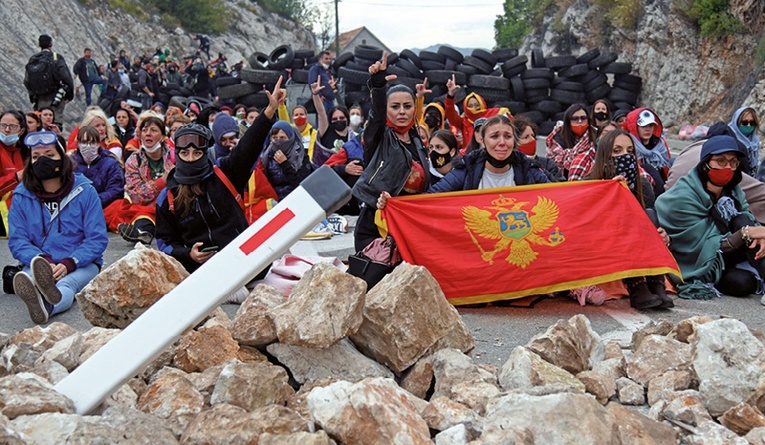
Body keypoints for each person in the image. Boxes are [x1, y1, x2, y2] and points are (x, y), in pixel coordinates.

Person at [155, 78, 285, 303]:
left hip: (244, 264)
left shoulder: (225, 174)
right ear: (178, 155)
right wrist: (189, 254)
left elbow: (249, 145)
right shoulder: (167, 197)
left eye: (197, 154)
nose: (191, 158)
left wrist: (270, 110)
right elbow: (165, 243)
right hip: (202, 271)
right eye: (185, 154)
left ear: (206, 153)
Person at [9, 131, 108, 324]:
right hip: (40, 263)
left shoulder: (85, 190)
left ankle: (48, 307)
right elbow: (18, 240)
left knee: (67, 284)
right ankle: (38, 290)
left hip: (81, 263)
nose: (42, 161)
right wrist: (42, 260)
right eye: (36, 157)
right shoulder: (21, 195)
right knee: (31, 277)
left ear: (62, 157)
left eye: (49, 154)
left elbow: (96, 239)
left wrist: (70, 262)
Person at [657, 135, 765, 300]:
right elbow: (700, 247)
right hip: (694, 262)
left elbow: (747, 221)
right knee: (743, 283)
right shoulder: (683, 197)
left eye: (733, 162)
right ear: (705, 163)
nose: (728, 167)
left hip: (724, 250)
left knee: (742, 219)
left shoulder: (733, 190)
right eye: (721, 161)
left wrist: (755, 233)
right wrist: (747, 233)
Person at [352, 52, 432, 252]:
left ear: (415, 109)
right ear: (387, 110)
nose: (402, 111)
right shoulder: (378, 136)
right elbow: (376, 115)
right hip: (376, 225)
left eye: (407, 106)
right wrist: (378, 84)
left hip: (410, 224)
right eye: (395, 107)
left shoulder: (418, 142)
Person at [589, 129, 673, 309]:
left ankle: (655, 282)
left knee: (650, 216)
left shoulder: (642, 184)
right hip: (602, 244)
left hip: (634, 244)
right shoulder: (590, 183)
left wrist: (661, 236)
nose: (625, 156)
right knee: (623, 224)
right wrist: (612, 192)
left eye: (629, 151)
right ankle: (636, 287)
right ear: (605, 155)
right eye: (617, 151)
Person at [424, 115, 549, 194]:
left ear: (514, 141)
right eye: (494, 136)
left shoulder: (529, 169)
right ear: (482, 141)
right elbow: (429, 198)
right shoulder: (466, 169)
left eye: (508, 136)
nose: (502, 142)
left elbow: (557, 194)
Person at [118, 115, 175, 243]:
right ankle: (142, 235)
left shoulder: (174, 156)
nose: (148, 134)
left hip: (172, 205)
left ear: (162, 137)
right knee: (142, 217)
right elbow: (137, 195)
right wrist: (162, 182)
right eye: (145, 130)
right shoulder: (133, 160)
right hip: (148, 208)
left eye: (153, 130)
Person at [444, 75, 511, 150]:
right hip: (469, 156)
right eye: (470, 105)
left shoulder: (494, 115)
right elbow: (450, 114)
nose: (474, 108)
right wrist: (450, 95)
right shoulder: (463, 122)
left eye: (477, 105)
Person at [71, 126, 124, 209]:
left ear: (99, 144)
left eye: (92, 142)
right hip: (75, 207)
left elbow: (115, 190)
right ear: (78, 144)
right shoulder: (70, 164)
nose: (88, 146)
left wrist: (94, 200)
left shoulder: (111, 164)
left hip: (103, 207)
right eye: (84, 142)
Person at [260, 120, 315, 201]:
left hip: (297, 199)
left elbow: (301, 184)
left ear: (290, 138)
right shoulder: (267, 156)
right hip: (274, 201)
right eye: (275, 138)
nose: (278, 141)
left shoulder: (301, 156)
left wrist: (284, 164)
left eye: (282, 138)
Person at [24, 35, 74, 117]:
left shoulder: (33, 59)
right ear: (51, 44)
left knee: (41, 120)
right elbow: (66, 76)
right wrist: (69, 94)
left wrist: (32, 95)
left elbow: (27, 80)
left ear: (39, 44)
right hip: (56, 96)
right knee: (54, 122)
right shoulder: (56, 57)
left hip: (39, 98)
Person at [546, 104, 597, 181]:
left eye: (583, 118)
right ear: (568, 121)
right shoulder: (557, 139)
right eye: (575, 118)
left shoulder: (596, 135)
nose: (579, 121)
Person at [311, 80, 354, 166]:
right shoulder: (326, 130)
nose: (338, 120)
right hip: (324, 172)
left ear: (347, 119)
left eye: (341, 118)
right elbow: (321, 112)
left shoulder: (353, 137)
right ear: (330, 121)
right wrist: (315, 94)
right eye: (335, 119)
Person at [0, 111, 29, 236]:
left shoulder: (21, 151)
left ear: (21, 131)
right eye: (3, 125)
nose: (7, 130)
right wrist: (16, 177)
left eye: (12, 127)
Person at [623, 108, 672, 180]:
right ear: (635, 127)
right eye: (643, 126)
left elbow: (667, 168)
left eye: (651, 125)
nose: (647, 129)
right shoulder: (628, 144)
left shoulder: (661, 144)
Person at [514, 116, 564, 182]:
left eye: (533, 136)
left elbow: (561, 188)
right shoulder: (509, 168)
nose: (532, 140)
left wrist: (539, 168)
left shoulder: (547, 163)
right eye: (526, 137)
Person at [728, 107, 760, 178]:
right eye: (745, 122)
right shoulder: (729, 139)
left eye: (752, 123)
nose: (749, 125)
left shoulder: (755, 141)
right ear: (737, 122)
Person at [308, 51, 336, 115]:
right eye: (326, 59)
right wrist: (319, 96)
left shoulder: (328, 70)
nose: (328, 60)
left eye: (329, 59)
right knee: (322, 121)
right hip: (322, 101)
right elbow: (312, 83)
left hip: (330, 100)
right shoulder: (315, 69)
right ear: (320, 59)